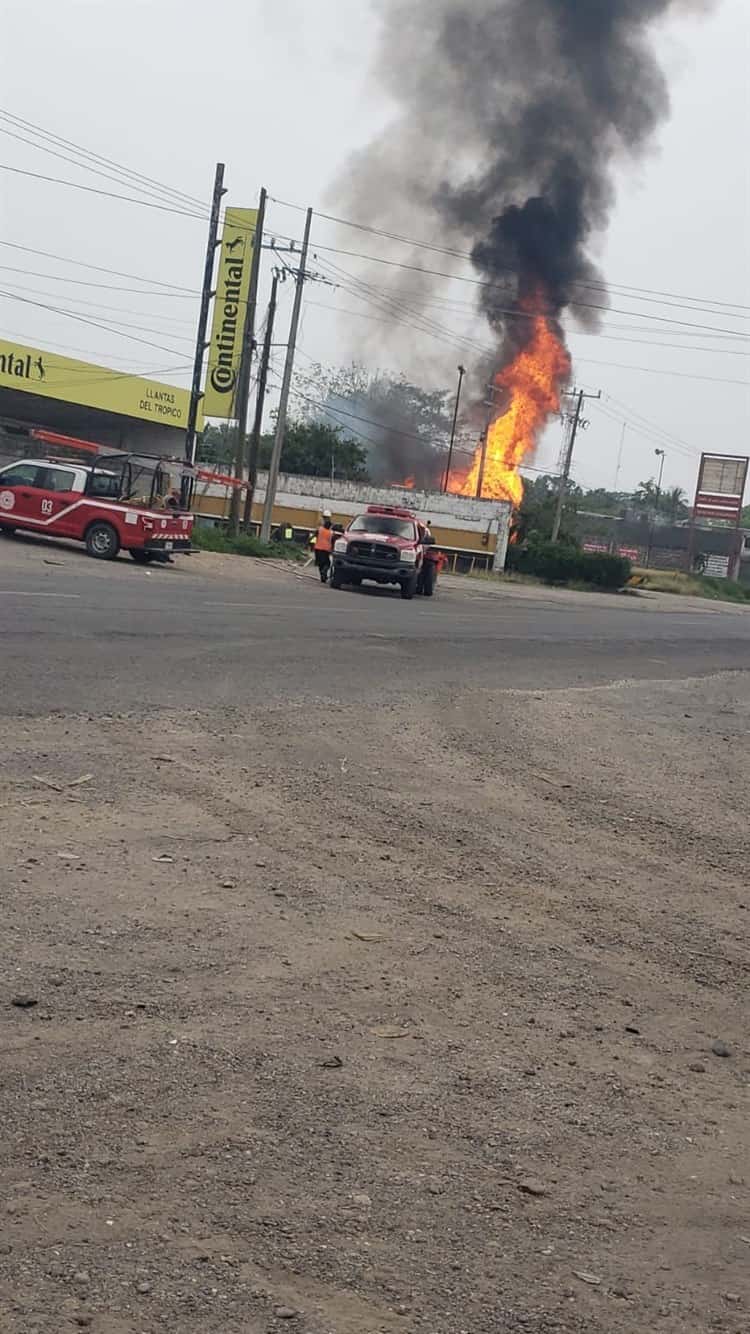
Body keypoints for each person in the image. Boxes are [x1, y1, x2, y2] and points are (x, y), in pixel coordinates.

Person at [313, 509, 337, 583]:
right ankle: (324, 574)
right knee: (327, 563)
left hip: (317, 549)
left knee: (320, 564)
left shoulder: (320, 529)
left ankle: (323, 577)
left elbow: (314, 536)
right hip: (326, 550)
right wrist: (333, 549)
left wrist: (308, 544)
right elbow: (333, 541)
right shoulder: (331, 532)